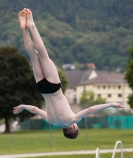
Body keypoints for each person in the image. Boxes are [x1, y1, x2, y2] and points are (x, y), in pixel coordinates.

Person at [13, 8, 124, 139]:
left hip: (54, 87)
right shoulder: (51, 121)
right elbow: (35, 109)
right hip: (42, 89)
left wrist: (110, 104)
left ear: (74, 127)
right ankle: (24, 29)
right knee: (33, 56)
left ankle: (31, 25)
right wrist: (22, 106)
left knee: (43, 55)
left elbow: (90, 110)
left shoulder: (72, 119)